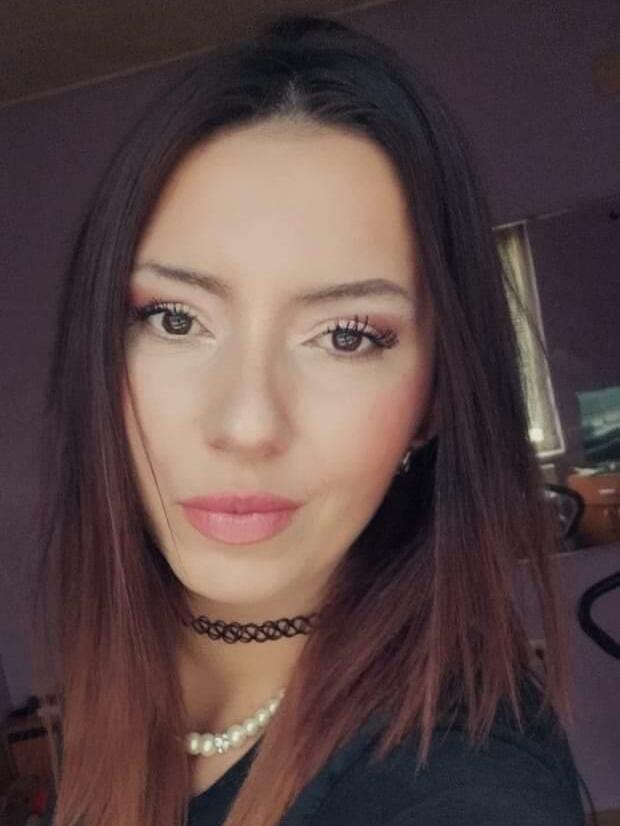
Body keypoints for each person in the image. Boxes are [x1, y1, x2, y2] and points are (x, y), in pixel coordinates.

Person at [33, 13, 589, 826]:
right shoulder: (129, 693)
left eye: (346, 336)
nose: (247, 424)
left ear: (435, 399)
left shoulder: (466, 786)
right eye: (176, 319)